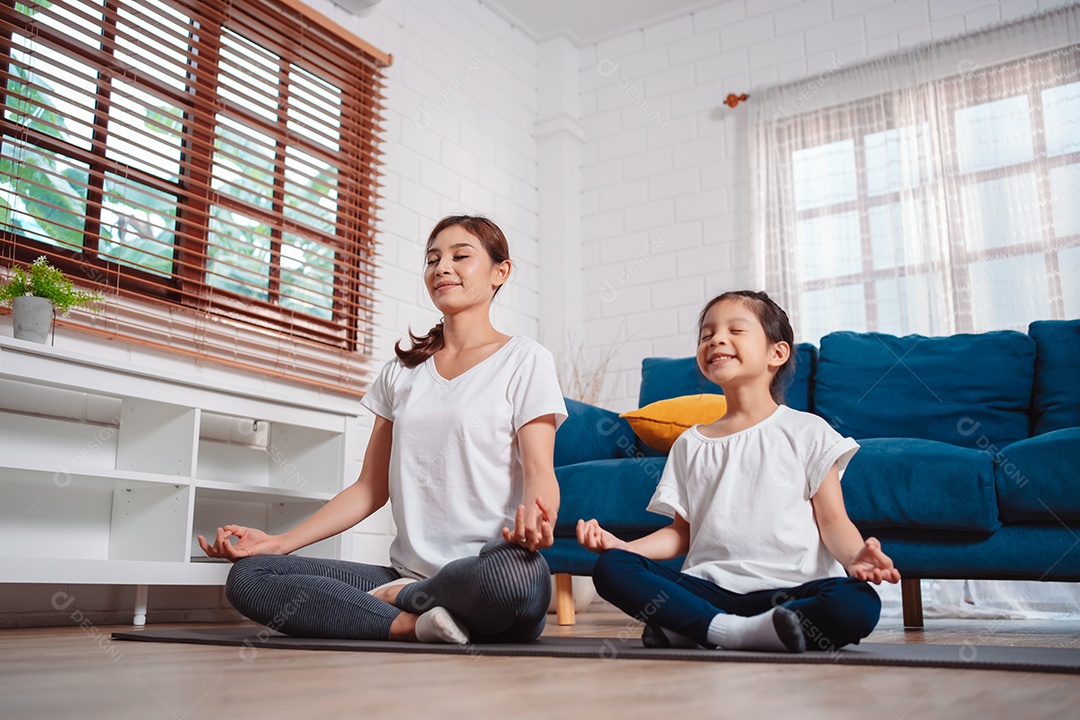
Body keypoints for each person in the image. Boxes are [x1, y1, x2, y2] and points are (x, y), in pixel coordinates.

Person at [199, 215, 568, 645]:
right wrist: (280, 543)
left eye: (460, 256)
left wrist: (538, 520)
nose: (442, 268)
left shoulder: (525, 359)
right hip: (405, 572)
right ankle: (411, 623)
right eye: (433, 259)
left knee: (516, 578)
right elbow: (370, 488)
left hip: (489, 571)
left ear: (499, 272)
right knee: (250, 575)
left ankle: (403, 599)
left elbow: (539, 470)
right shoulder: (401, 372)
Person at [576, 290, 900, 653]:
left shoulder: (809, 431)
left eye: (735, 330)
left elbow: (833, 521)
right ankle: (734, 630)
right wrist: (623, 547)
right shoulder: (690, 443)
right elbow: (681, 534)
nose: (716, 339)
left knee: (858, 602)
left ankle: (700, 628)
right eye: (707, 334)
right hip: (710, 590)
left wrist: (855, 557)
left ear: (777, 353)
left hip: (793, 592)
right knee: (612, 567)